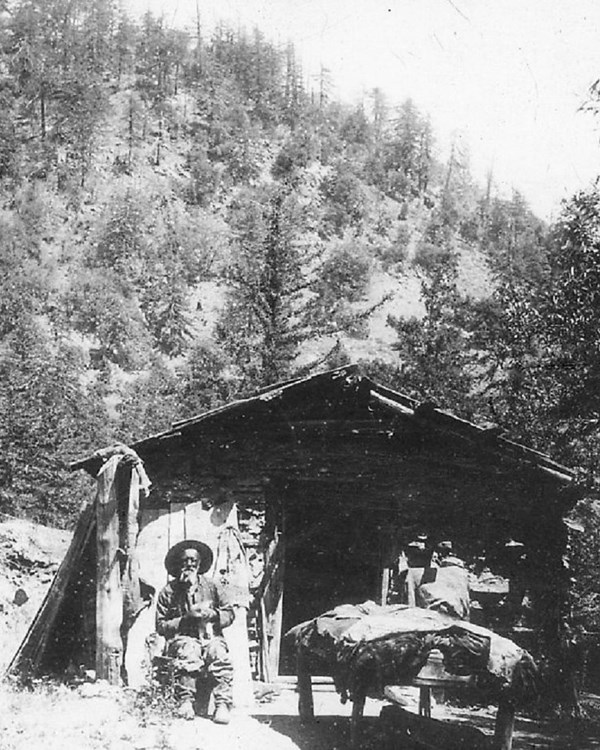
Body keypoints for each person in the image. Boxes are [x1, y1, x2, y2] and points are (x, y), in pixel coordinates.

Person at [155, 539, 234, 724]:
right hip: (183, 639)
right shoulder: (169, 591)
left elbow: (229, 613)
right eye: (185, 561)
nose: (189, 565)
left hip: (210, 636)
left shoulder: (212, 586)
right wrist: (185, 619)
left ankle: (222, 705)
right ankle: (186, 702)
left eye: (194, 561)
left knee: (218, 652)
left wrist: (213, 615)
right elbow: (160, 625)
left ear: (200, 564)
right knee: (189, 650)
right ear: (178, 564)